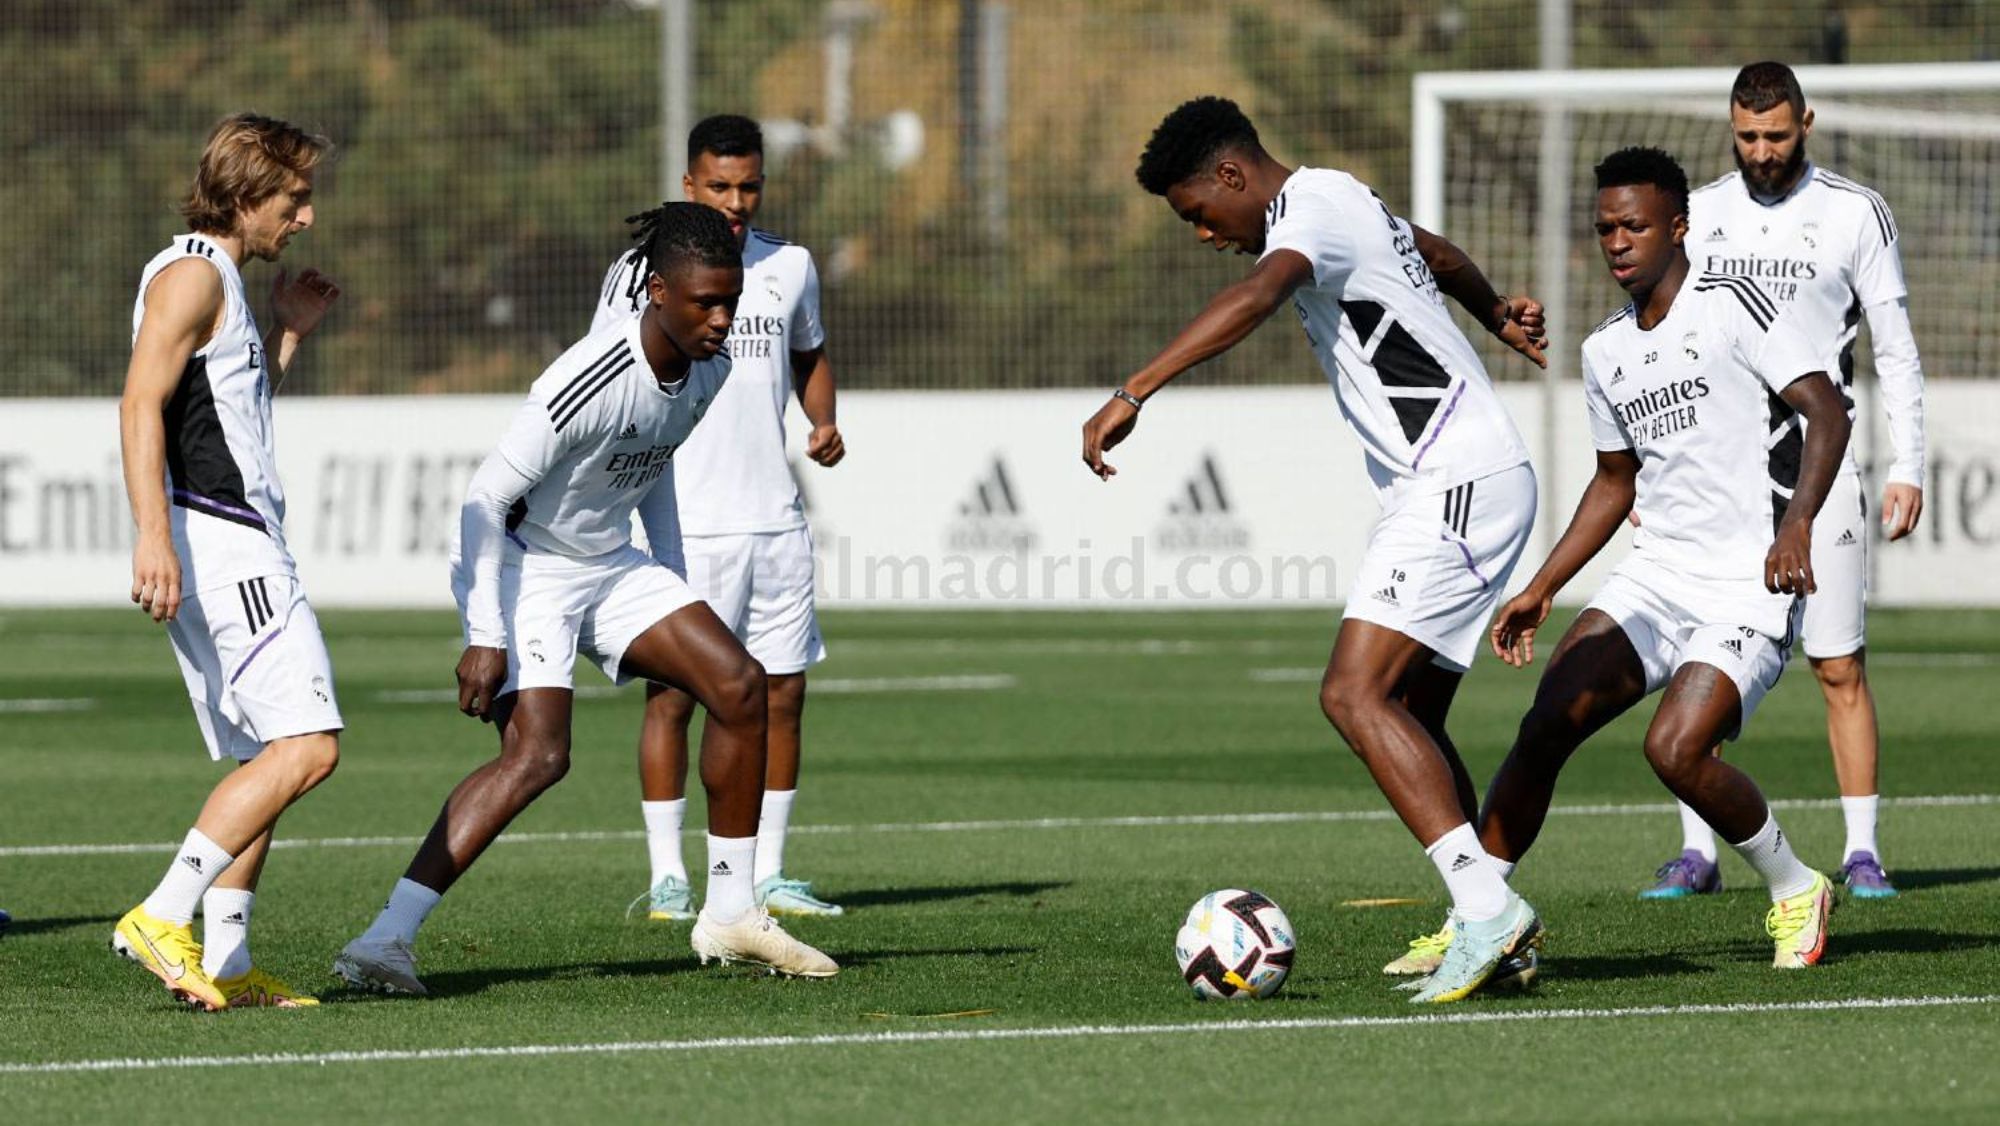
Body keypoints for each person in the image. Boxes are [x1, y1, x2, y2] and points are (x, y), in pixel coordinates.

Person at [1083, 97, 1548, 1003]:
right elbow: (1441, 255)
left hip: (1454, 476)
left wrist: (1134, 390)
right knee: (1407, 705)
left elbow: (1258, 295)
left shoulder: (1306, 219)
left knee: (1351, 692)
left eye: (1198, 215)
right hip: (1463, 475)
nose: (1204, 235)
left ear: (1231, 176)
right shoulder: (1340, 193)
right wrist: (1493, 313)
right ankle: (1485, 915)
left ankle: (1490, 913)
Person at [333, 203, 836, 993]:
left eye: (731, 300)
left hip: (611, 563)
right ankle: (384, 940)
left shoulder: (713, 364)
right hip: (524, 567)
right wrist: (482, 632)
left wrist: (672, 582)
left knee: (740, 685)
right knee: (540, 756)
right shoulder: (585, 379)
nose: (723, 318)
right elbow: (485, 500)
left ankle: (733, 911)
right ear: (657, 292)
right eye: (705, 302)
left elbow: (657, 462)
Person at [1479, 146, 1850, 971]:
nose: (1618, 242)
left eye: (1635, 226)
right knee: (1546, 722)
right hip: (1656, 576)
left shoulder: (1734, 306)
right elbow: (1616, 481)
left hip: (1746, 582)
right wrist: (1543, 585)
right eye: (1606, 227)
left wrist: (1796, 525)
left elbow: (1827, 412)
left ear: (1678, 227)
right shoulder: (1605, 349)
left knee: (1674, 750)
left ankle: (1795, 887)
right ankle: (1480, 910)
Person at [1638, 61, 1925, 901]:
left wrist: (1908, 464)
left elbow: (1895, 347)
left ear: (1808, 121)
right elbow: (1666, 333)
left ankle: (1863, 851)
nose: (1761, 152)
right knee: (1702, 658)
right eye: (1746, 137)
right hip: (1716, 475)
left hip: (1820, 469)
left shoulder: (1853, 213)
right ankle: (1698, 853)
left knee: (1838, 664)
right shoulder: (1705, 215)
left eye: (1776, 134)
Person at [592, 115, 846, 923]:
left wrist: (823, 419)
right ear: (688, 182)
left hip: (774, 519)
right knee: (674, 696)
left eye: (750, 186)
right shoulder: (639, 273)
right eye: (720, 186)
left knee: (782, 693)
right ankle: (669, 875)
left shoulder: (790, 265)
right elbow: (605, 376)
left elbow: (810, 354)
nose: (736, 202)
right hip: (684, 524)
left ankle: (767, 872)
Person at [114, 112, 342, 1010]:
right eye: (294, 198)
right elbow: (140, 405)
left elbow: (217, 418)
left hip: (233, 532)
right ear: (245, 196)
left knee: (262, 754)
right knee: (310, 746)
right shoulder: (190, 278)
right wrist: (152, 536)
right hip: (220, 539)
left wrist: (283, 337)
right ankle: (161, 915)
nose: (306, 217)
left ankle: (230, 960)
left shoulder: (220, 284)